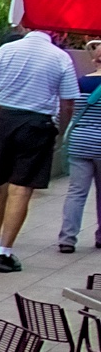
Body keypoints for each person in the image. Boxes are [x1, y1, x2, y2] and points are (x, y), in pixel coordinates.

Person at [0, 24, 82, 272]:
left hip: (1, 120)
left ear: (26, 27)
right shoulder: (61, 57)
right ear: (57, 33)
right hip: (36, 124)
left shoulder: (6, 50)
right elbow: (67, 103)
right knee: (21, 190)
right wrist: (60, 132)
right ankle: (5, 253)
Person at [54, 39, 101, 256]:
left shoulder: (79, 83)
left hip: (80, 143)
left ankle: (67, 239)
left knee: (76, 193)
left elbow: (66, 110)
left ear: (94, 60)